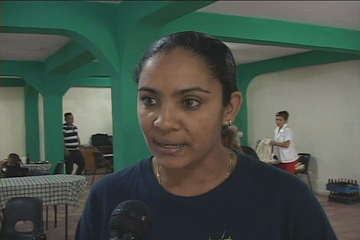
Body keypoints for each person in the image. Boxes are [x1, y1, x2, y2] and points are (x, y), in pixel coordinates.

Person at [77, 31, 336, 240]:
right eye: (150, 99)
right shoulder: (108, 196)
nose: (164, 122)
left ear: (229, 108)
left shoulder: (286, 199)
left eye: (190, 102)